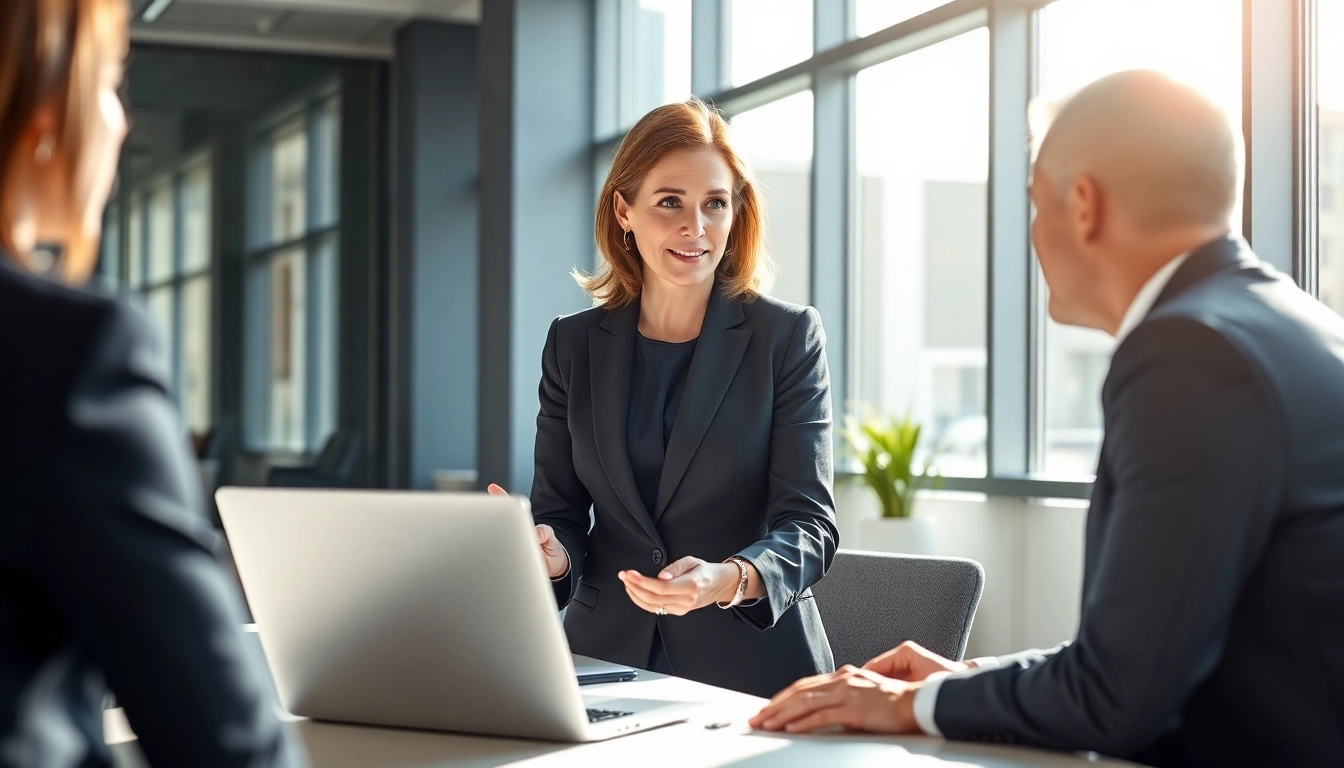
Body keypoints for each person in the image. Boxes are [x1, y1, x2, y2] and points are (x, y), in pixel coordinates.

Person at [751, 69, 1344, 767]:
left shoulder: (1188, 355)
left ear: (1084, 205)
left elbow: (1118, 698)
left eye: (1035, 204)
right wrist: (966, 679)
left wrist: (911, 704)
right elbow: (1159, 652)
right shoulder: (1288, 324)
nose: (1032, 236)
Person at [0, 1, 305, 765]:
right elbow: (220, 738)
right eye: (107, 84)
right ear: (42, 108)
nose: (119, 124)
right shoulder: (62, 349)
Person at [488, 98, 838, 698]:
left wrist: (728, 578)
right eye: (669, 201)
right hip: (603, 662)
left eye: (715, 204)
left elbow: (810, 524)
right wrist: (552, 555)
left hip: (752, 673)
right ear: (624, 211)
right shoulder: (572, 345)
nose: (694, 228)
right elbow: (562, 512)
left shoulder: (785, 338)